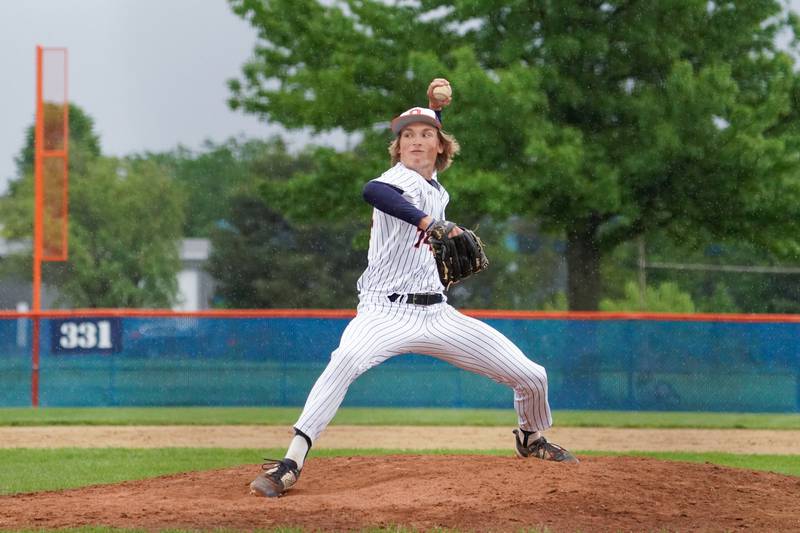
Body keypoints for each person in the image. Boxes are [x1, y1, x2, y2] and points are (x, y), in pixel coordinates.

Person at [250, 78, 578, 498]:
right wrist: (427, 222)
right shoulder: (396, 179)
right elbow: (375, 191)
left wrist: (432, 111)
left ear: (441, 147)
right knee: (345, 360)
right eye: (407, 136)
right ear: (397, 148)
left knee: (532, 376)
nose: (415, 142)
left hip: (437, 314)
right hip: (384, 313)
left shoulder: (437, 189)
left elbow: (428, 162)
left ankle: (531, 439)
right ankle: (290, 463)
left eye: (425, 136)